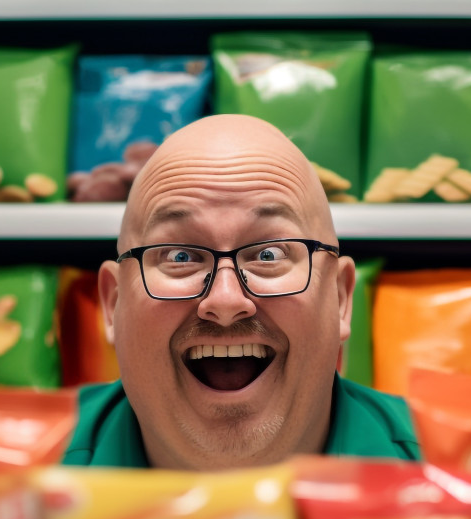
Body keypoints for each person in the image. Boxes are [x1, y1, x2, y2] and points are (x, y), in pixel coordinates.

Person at [61, 114, 420, 470]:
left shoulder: (460, 473)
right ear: (113, 303)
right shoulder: (17, 476)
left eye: (269, 255)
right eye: (180, 256)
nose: (226, 301)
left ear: (341, 299)